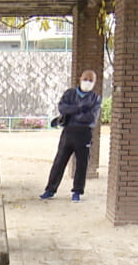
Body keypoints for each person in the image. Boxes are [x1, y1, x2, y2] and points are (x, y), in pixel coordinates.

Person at [40, 69, 102, 202]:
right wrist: (79, 109)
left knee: (82, 164)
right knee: (59, 161)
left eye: (91, 80)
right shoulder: (70, 94)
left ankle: (77, 192)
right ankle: (50, 189)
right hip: (68, 132)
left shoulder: (95, 98)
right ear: (80, 79)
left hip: (84, 133)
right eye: (86, 79)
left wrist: (72, 112)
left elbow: (91, 117)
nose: (88, 82)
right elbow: (62, 108)